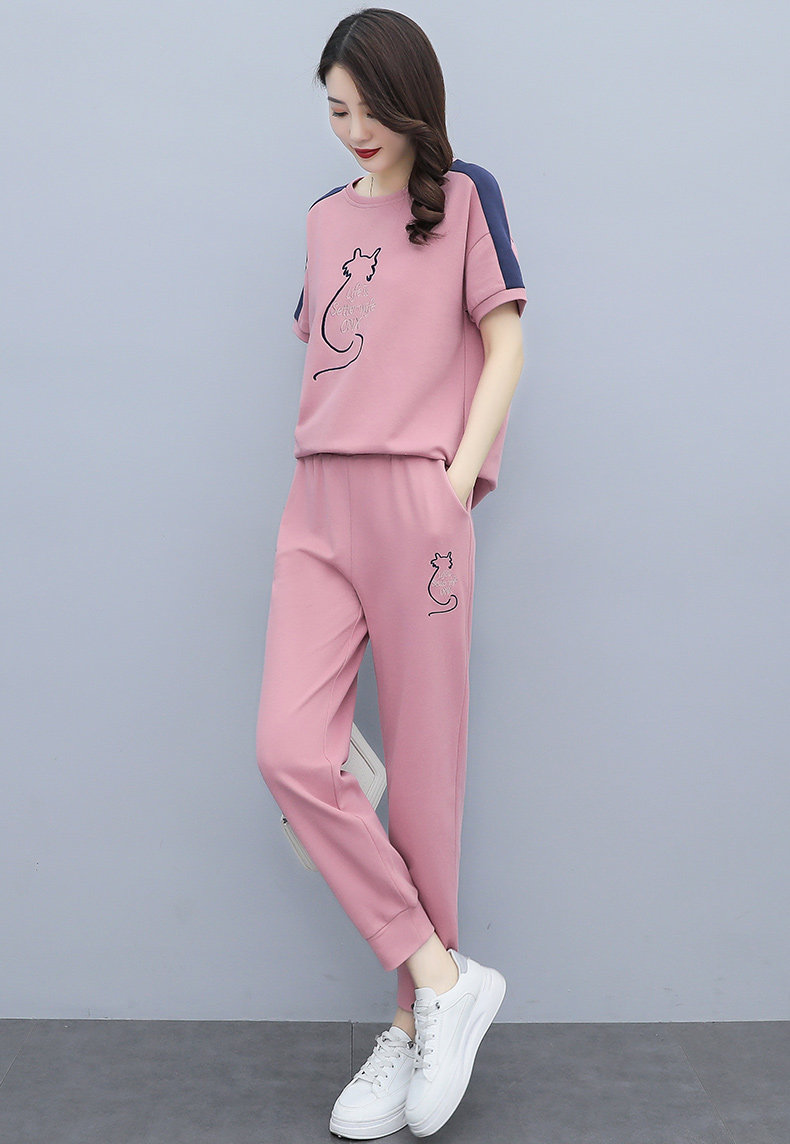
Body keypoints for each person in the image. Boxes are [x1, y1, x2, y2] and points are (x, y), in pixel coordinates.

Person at [256, 7, 527, 1138]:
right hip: (318, 503)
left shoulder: (466, 197)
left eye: (368, 109)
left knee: (421, 778)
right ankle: (443, 976)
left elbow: (506, 342)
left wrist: (454, 479)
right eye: (335, 111)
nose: (354, 130)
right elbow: (333, 355)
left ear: (412, 99)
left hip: (419, 510)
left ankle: (415, 1028)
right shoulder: (324, 217)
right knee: (289, 749)